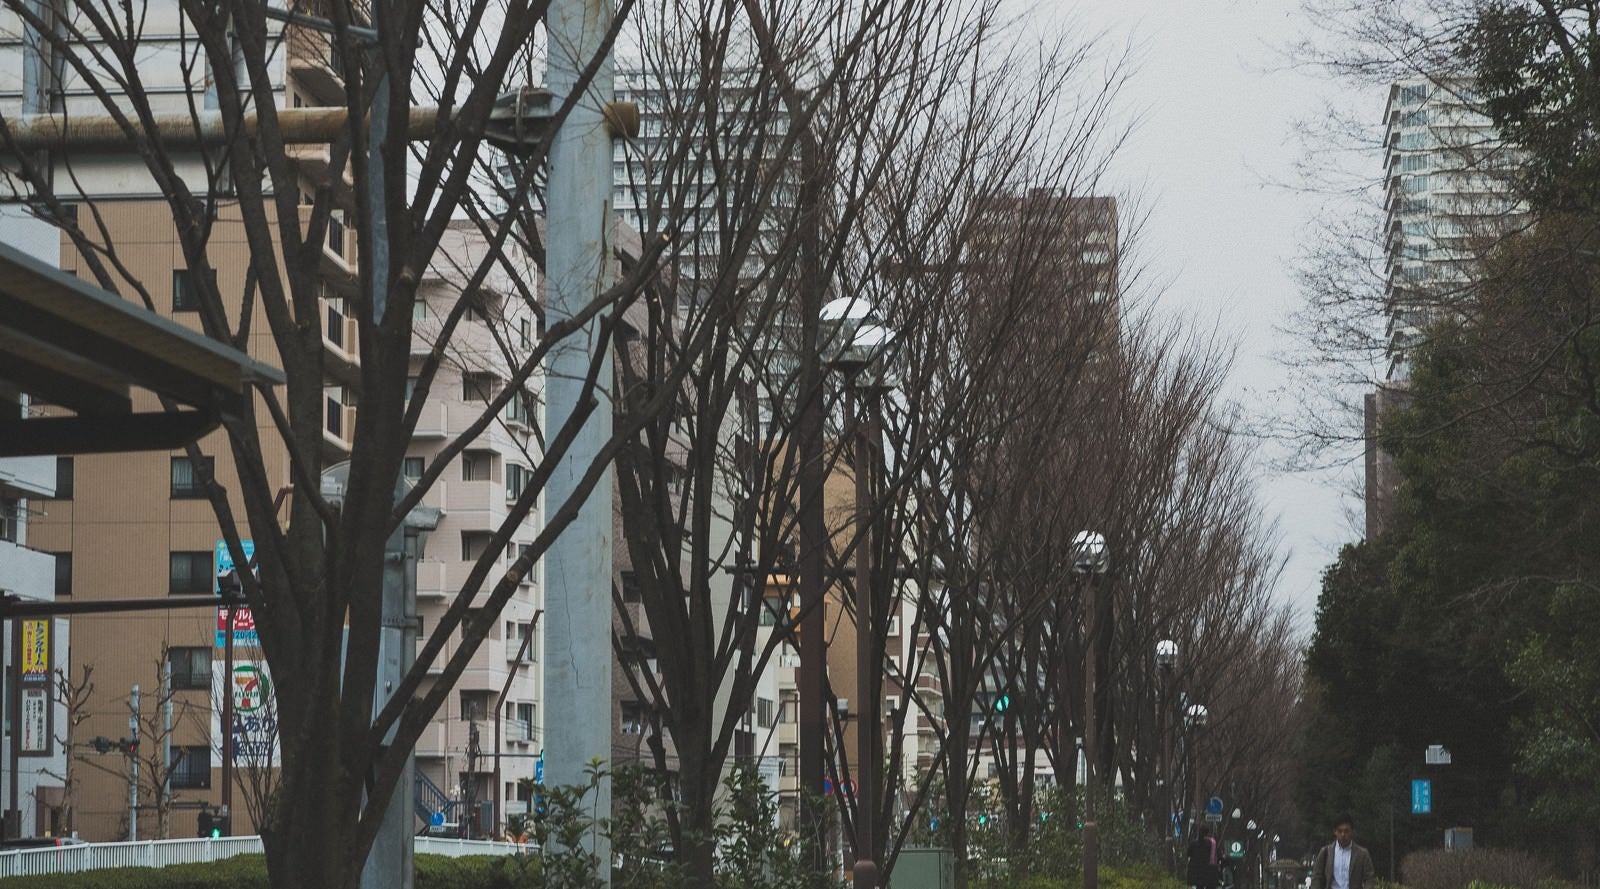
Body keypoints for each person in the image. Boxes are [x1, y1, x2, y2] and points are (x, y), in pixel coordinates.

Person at [1310, 813, 1377, 889]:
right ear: (1335, 832)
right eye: (1340, 831)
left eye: (1346, 831)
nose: (1343, 834)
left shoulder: (1362, 854)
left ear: (1352, 831)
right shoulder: (1326, 852)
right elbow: (1316, 877)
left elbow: (1369, 878)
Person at [1186, 823, 1220, 889]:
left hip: (1196, 871)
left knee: (1199, 886)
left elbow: (1188, 854)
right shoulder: (1211, 843)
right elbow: (1215, 855)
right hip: (1208, 870)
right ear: (1207, 833)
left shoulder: (1193, 843)